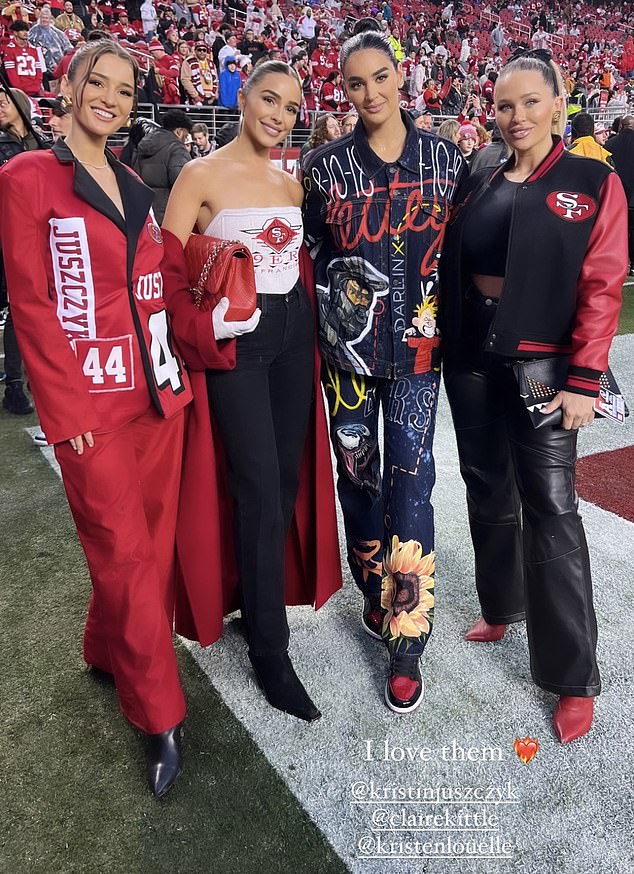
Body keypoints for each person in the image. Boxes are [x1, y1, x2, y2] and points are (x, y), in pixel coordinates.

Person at [0, 40, 240, 797]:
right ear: (67, 89)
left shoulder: (137, 181)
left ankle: (106, 650)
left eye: (122, 87)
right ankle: (161, 716)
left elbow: (160, 290)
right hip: (90, 410)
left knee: (147, 550)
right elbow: (33, 306)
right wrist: (65, 414)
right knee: (127, 557)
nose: (108, 96)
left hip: (158, 401)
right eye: (94, 82)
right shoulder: (26, 178)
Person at [439, 49, 627, 744]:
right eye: (503, 104)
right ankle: (501, 606)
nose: (514, 116)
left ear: (556, 100)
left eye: (528, 102)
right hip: (472, 357)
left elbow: (604, 283)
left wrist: (585, 378)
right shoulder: (480, 169)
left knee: (551, 508)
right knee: (485, 487)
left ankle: (572, 676)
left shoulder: (592, 177)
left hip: (546, 368)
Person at [162, 60, 341, 722]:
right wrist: (205, 325)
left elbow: (301, 261)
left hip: (295, 337)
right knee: (258, 486)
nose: (279, 114)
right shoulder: (198, 174)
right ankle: (271, 649)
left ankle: (255, 605)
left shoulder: (290, 182)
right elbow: (165, 274)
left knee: (283, 486)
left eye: (292, 106)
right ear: (243, 99)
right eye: (269, 98)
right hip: (239, 343)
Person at [303, 30, 466, 714]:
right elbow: (308, 256)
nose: (370, 94)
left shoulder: (447, 160)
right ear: (345, 90)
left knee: (414, 484)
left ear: (401, 78)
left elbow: (462, 252)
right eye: (355, 84)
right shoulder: (324, 168)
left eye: (380, 78)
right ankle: (373, 592)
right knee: (358, 481)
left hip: (419, 358)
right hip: (347, 359)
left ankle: (407, 634)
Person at [0, 87, 50, 416]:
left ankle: (23, 383)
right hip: (5, 237)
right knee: (15, 310)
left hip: (36, 240)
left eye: (3, 102)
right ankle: (15, 383)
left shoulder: (42, 143)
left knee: (27, 310)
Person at [133, 107, 192, 223]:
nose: (185, 139)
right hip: (168, 218)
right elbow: (185, 187)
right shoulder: (177, 149)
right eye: (185, 135)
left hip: (143, 214)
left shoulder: (142, 146)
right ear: (179, 131)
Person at [602, 115, 634, 272]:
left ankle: (620, 264)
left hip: (617, 196)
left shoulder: (609, 144)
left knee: (618, 231)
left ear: (621, 126)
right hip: (632, 196)